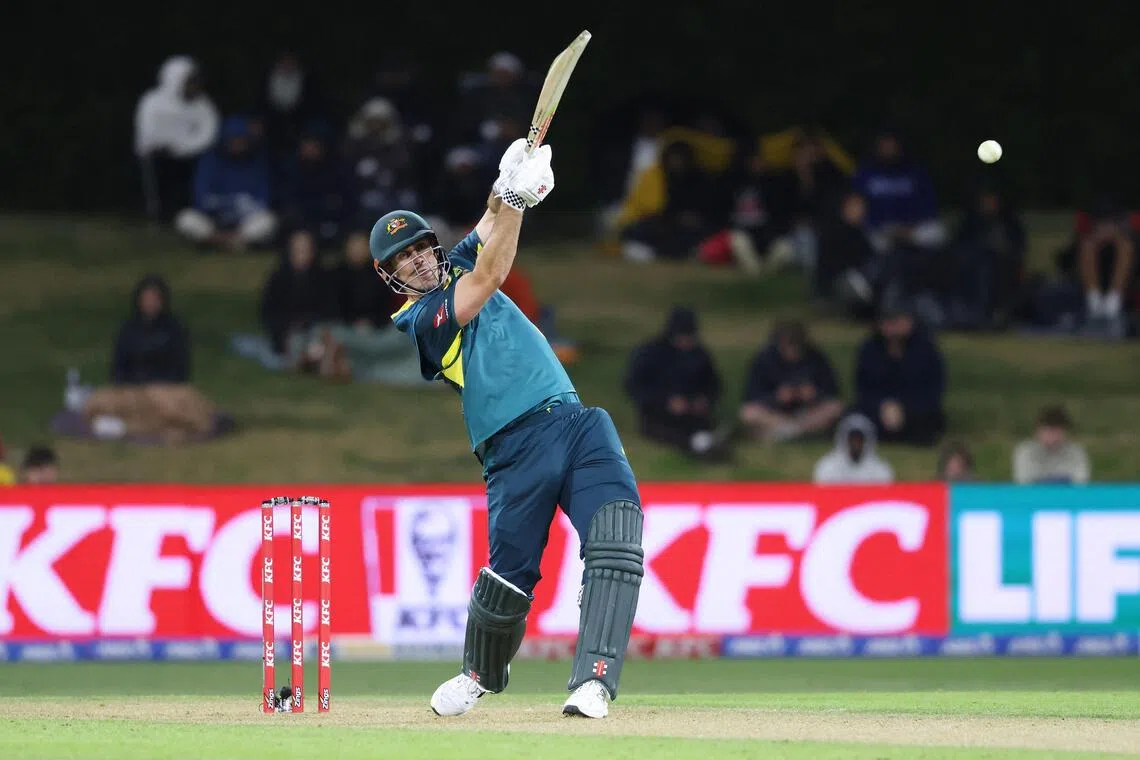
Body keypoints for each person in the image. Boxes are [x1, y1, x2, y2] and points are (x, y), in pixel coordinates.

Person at [370, 139, 643, 720]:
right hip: (514, 448)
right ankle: (479, 674)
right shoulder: (422, 321)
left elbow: (490, 222)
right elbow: (494, 271)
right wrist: (516, 199)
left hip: (575, 422)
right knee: (510, 578)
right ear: (390, 275)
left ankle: (594, 681)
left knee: (617, 542)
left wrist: (507, 183)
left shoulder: (455, 260)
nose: (419, 259)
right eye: (404, 258)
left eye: (422, 246)